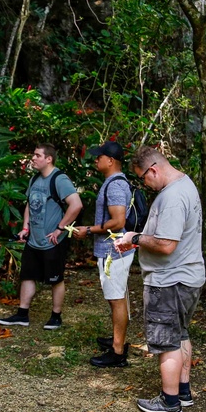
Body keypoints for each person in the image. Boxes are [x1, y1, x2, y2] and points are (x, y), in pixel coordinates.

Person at [114, 145, 204, 412]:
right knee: (180, 334)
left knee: (167, 343)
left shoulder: (172, 197)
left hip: (170, 281)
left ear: (152, 169)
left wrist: (134, 238)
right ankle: (183, 392)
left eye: (143, 178)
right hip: (187, 277)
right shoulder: (185, 185)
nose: (145, 184)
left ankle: (170, 401)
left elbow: (166, 244)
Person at [0, 143, 83, 330]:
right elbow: (30, 203)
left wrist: (61, 228)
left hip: (52, 241)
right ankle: (22, 314)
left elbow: (76, 205)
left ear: (48, 159)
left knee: (55, 279)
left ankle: (56, 316)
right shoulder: (35, 179)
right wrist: (25, 228)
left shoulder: (59, 179)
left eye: (37, 155)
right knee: (27, 276)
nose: (33, 158)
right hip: (33, 239)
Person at [73, 140, 134, 367]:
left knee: (116, 299)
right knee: (116, 297)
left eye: (99, 157)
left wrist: (88, 230)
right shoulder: (114, 182)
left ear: (111, 161)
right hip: (115, 250)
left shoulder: (115, 185)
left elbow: (118, 221)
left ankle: (118, 353)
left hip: (114, 251)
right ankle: (117, 340)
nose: (96, 159)